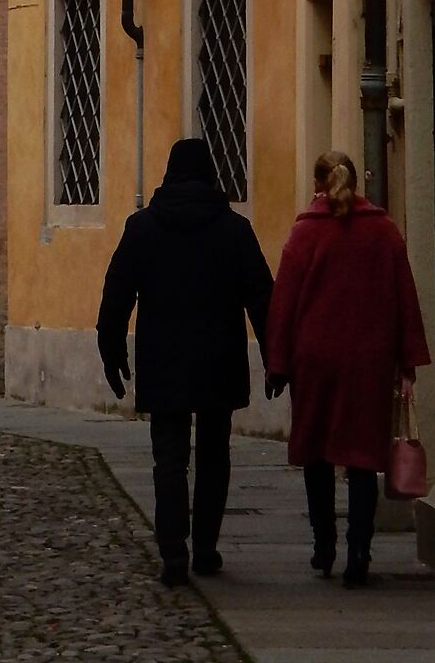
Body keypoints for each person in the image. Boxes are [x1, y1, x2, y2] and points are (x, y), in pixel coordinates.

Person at [97, 137, 274, 587]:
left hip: (164, 359)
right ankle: (206, 547)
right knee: (215, 455)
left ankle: (173, 552)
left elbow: (116, 295)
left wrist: (112, 352)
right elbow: (262, 297)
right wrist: (277, 358)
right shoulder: (235, 230)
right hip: (219, 359)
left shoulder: (143, 228)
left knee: (169, 459)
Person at [266, 150, 431, 587]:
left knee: (318, 453)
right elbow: (404, 297)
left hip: (314, 359)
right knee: (362, 457)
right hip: (368, 359)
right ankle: (360, 549)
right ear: (356, 183)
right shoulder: (384, 231)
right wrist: (408, 360)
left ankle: (324, 545)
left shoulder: (305, 234)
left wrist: (277, 365)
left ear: (318, 184)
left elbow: (283, 304)